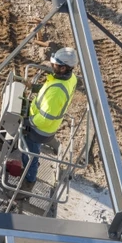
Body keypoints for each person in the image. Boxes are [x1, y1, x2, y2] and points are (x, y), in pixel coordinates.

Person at [18, 47, 78, 197]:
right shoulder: (70, 78)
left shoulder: (56, 92)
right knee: (33, 150)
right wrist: (35, 87)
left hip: (40, 129)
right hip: (47, 125)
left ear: (63, 68)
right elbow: (48, 88)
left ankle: (29, 183)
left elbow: (44, 118)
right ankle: (34, 161)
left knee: (29, 153)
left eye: (55, 65)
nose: (52, 67)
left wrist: (27, 121)